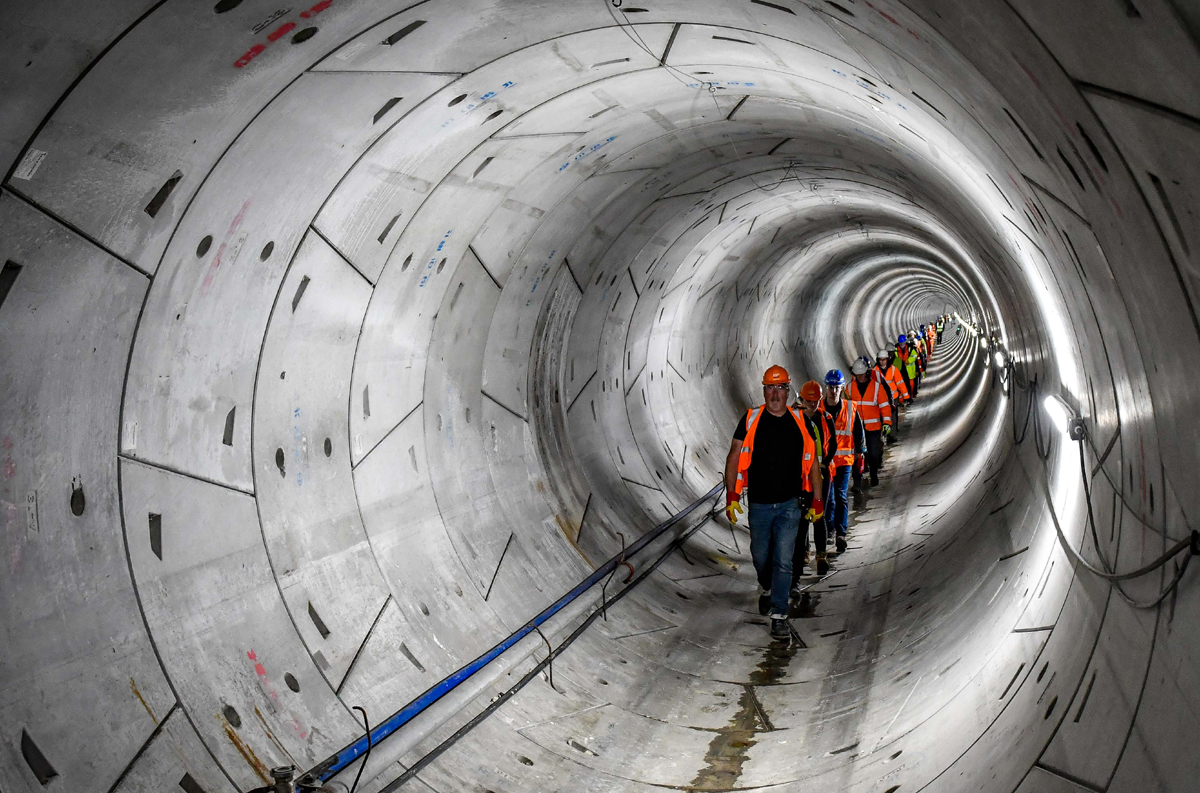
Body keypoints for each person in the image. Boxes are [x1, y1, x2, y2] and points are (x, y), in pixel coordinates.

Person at [724, 365, 822, 639]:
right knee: (760, 556)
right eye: (770, 387)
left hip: (790, 504)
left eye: (780, 388)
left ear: (788, 391)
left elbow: (813, 463)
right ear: (763, 390)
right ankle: (766, 587)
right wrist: (731, 494)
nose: (775, 393)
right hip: (759, 505)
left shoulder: (801, 423)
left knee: (783, 561)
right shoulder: (751, 419)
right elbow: (733, 456)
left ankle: (779, 615)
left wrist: (817, 499)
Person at [792, 380, 836, 580]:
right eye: (809, 401)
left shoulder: (825, 418)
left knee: (819, 515)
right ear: (802, 399)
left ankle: (821, 555)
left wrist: (824, 463)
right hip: (801, 478)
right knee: (801, 521)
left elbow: (833, 444)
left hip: (822, 475)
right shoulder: (795, 420)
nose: (812, 404)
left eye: (816, 400)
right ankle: (800, 557)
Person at [821, 369, 864, 554]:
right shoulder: (819, 409)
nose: (833, 391)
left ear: (842, 388)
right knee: (828, 498)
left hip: (844, 461)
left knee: (840, 495)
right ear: (826, 387)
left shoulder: (850, 408)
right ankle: (830, 528)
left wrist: (861, 453)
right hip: (825, 463)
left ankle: (841, 532)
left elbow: (858, 431)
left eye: (836, 387)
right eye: (830, 387)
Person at [848, 359, 891, 487]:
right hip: (857, 429)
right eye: (857, 375)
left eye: (862, 374)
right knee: (858, 455)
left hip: (873, 428)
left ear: (867, 372)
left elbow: (884, 406)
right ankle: (858, 480)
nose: (860, 377)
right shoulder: (849, 388)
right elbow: (846, 408)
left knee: (873, 453)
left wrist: (887, 422)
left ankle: (873, 475)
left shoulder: (877, 387)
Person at [876, 348, 908, 444]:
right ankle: (881, 436)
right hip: (880, 399)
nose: (882, 362)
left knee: (892, 417)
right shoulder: (874, 371)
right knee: (881, 418)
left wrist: (906, 395)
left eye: (884, 359)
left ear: (887, 359)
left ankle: (892, 435)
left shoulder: (893, 369)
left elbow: (900, 382)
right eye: (880, 360)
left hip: (893, 397)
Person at [897, 334, 918, 399]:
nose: (902, 345)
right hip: (900, 371)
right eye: (900, 344)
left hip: (910, 372)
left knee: (911, 385)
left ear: (905, 342)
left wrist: (909, 360)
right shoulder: (896, 349)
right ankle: (903, 399)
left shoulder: (910, 348)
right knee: (902, 386)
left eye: (903, 343)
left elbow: (914, 356)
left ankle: (910, 397)